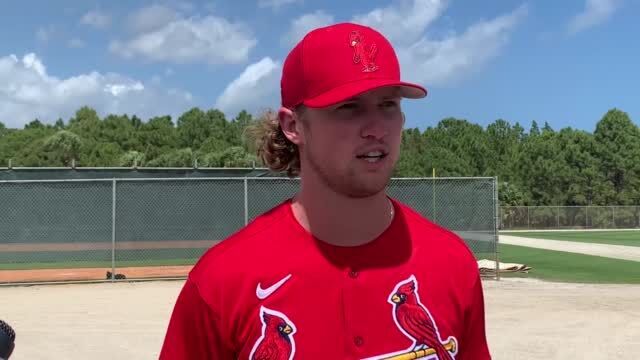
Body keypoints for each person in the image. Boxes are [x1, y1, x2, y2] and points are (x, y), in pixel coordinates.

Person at [160, 22, 491, 360]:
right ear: (293, 126)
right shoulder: (223, 281)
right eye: (348, 107)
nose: (376, 128)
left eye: (388, 105)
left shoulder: (451, 262)